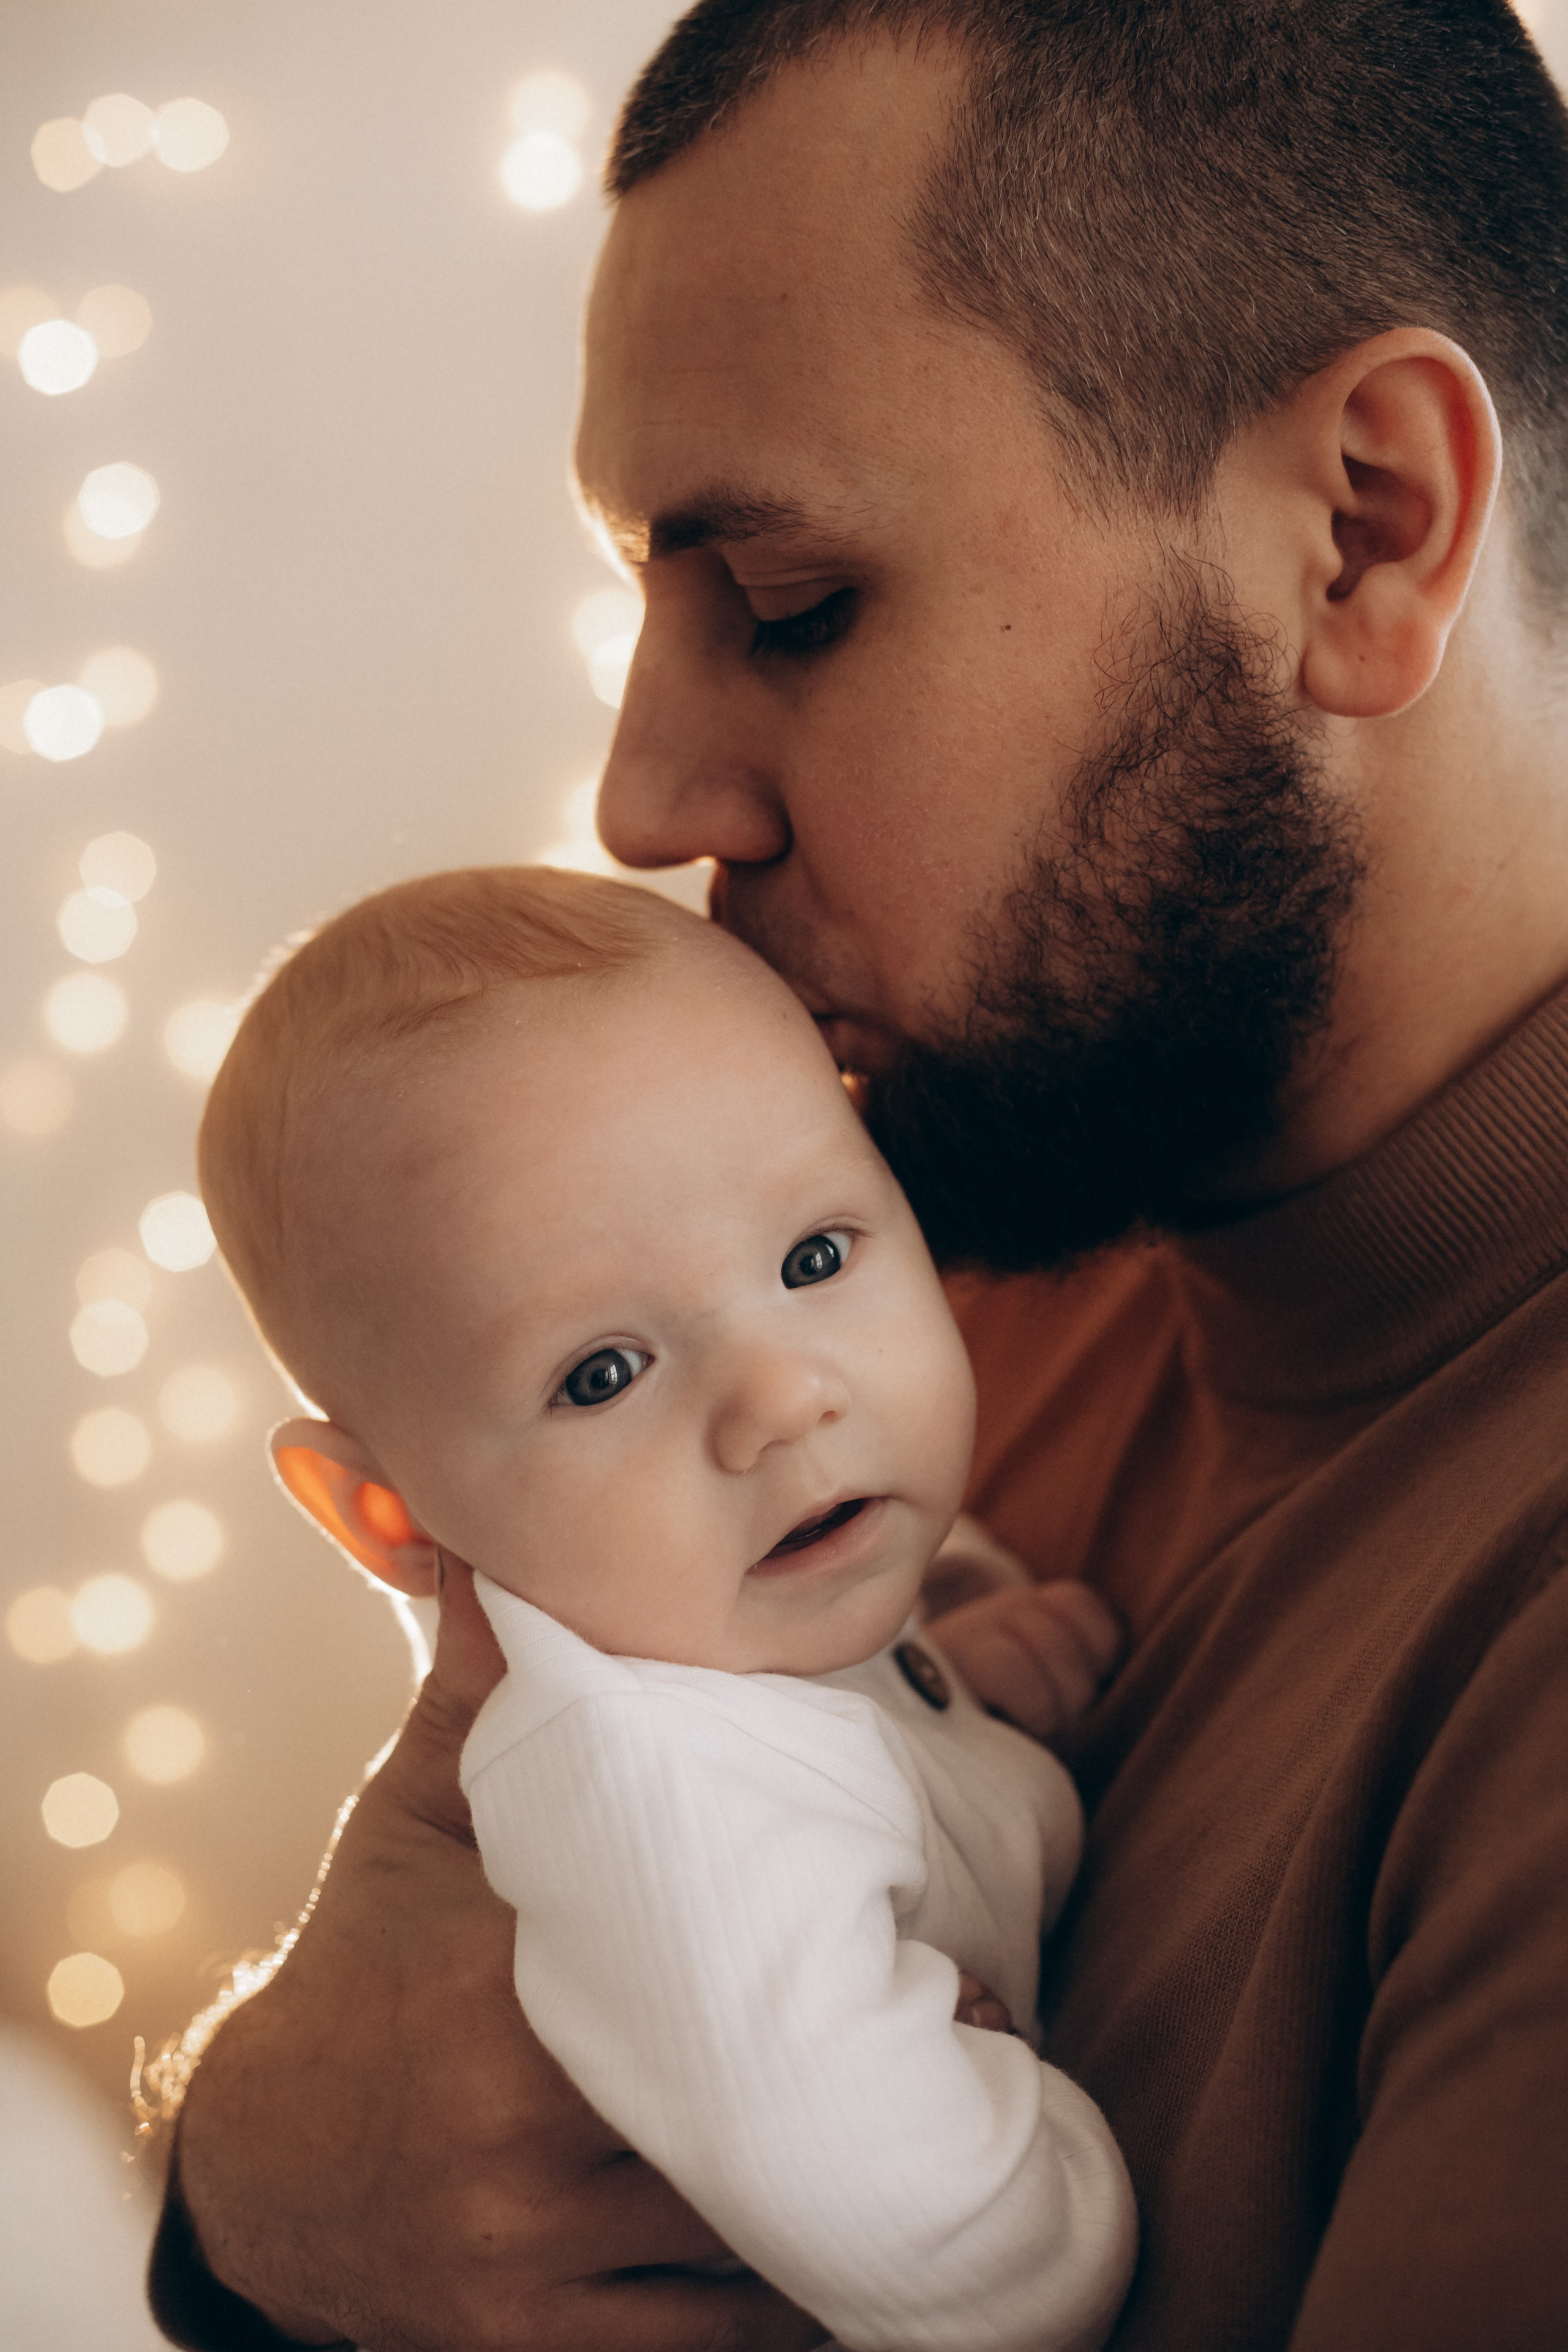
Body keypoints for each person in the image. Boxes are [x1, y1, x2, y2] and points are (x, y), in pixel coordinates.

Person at [149, 2, 1568, 2347]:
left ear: (1366, 529)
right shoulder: (913, 1247)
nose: (643, 794)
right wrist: (256, 2174)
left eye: (791, 603)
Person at [194, 862, 1137, 2352]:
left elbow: (841, 1736)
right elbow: (926, 2233)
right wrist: (1074, 2191)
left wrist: (949, 1659)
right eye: (600, 1374)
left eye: (815, 1259)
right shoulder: (643, 1787)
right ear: (390, 1515)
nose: (777, 1398)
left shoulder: (735, 1612)